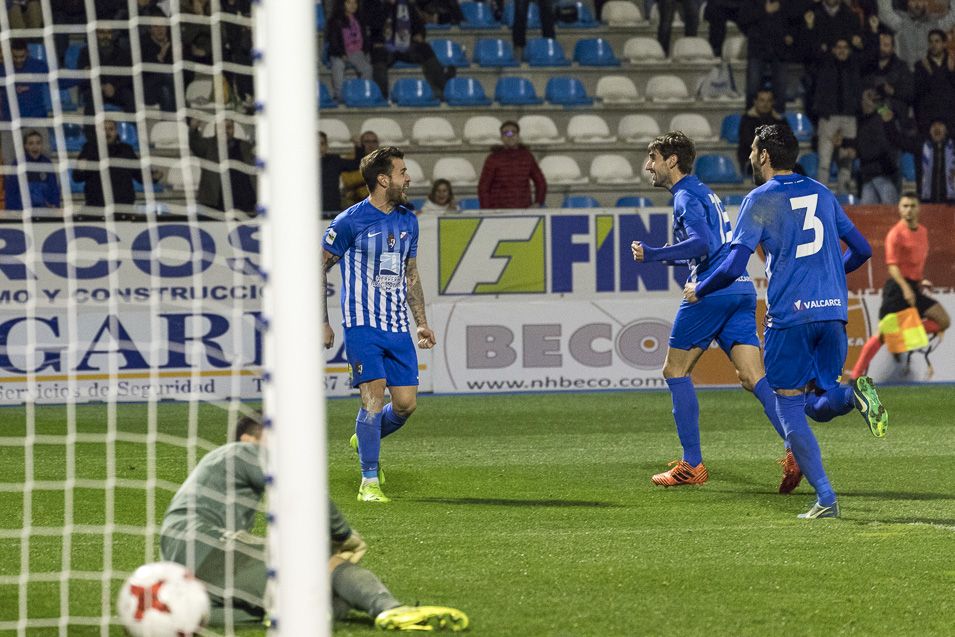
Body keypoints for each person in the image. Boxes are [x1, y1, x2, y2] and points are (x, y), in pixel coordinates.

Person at [685, 124, 888, 519]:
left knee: (789, 408)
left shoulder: (760, 199)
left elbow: (733, 265)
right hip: (833, 312)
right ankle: (853, 397)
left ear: (764, 155)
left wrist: (701, 288)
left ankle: (826, 498)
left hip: (790, 317)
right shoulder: (822, 192)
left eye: (753, 150)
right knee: (819, 400)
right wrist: (829, 276)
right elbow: (862, 250)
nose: (750, 156)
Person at [159, 413, 468, 631]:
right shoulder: (240, 451)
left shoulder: (221, 473)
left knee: (323, 602)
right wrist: (342, 534)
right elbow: (299, 486)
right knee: (322, 563)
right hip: (202, 540)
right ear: (248, 438)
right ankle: (392, 609)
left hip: (182, 561)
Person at [632, 131, 801, 492]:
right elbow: (711, 245)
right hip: (740, 287)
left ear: (671, 161)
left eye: (654, 158)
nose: (649, 165)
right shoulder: (702, 191)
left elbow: (701, 244)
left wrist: (654, 254)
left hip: (711, 291)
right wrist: (667, 258)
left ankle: (691, 464)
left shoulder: (684, 197)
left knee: (674, 370)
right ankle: (796, 448)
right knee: (753, 377)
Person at [322, 146, 437, 503]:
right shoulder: (349, 221)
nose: (409, 178)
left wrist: (421, 323)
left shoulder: (408, 221)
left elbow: (410, 274)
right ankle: (368, 482)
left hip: (397, 325)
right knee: (372, 400)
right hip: (362, 325)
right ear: (384, 180)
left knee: (405, 405)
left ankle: (365, 437)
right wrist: (322, 322)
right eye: (403, 172)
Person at [851, 193, 950, 378]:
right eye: (905, 206)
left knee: (943, 320)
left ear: (918, 208)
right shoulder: (895, 234)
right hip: (897, 289)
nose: (909, 210)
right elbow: (892, 266)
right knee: (881, 335)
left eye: (912, 206)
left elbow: (915, 263)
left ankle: (898, 334)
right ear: (899, 209)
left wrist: (920, 281)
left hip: (913, 287)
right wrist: (905, 289)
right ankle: (855, 375)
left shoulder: (923, 232)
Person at [364, 0, 454, 100]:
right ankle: (381, 96)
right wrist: (376, 41)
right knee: (378, 55)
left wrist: (420, 34)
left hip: (406, 46)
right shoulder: (376, 6)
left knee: (425, 48)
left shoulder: (408, 6)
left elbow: (419, 26)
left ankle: (441, 88)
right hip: (386, 47)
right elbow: (373, 28)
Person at [73, 118, 154, 215]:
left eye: (111, 129)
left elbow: (139, 175)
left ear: (116, 131)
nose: (107, 133)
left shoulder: (126, 150)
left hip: (123, 208)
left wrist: (154, 177)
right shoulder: (89, 149)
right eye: (104, 129)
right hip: (97, 207)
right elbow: (77, 177)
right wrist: (80, 169)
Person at [188, 117, 256, 214]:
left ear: (234, 129)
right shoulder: (207, 145)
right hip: (215, 205)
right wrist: (193, 129)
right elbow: (194, 142)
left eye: (229, 127)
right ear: (215, 129)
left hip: (244, 205)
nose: (225, 131)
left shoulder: (245, 146)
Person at [884, 115, 955, 203]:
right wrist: (888, 122)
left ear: (946, 130)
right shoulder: (921, 146)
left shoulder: (953, 149)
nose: (937, 128)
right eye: (933, 126)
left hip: (951, 202)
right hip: (926, 201)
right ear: (930, 131)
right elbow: (896, 139)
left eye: (940, 125)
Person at [477, 120, 546, 210]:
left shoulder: (527, 157)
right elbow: (483, 187)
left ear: (518, 136)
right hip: (499, 212)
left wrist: (538, 202)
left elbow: (540, 182)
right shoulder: (493, 158)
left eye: (513, 132)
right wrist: (487, 211)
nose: (510, 136)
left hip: (523, 211)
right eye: (506, 133)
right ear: (501, 137)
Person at [876, 0, 955, 66]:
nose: (917, 5)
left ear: (926, 2)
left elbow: (952, 17)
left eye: (921, 0)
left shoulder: (935, 24)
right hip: (904, 74)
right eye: (913, 1)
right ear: (908, 3)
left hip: (927, 74)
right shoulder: (900, 22)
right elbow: (884, 13)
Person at [325, 0, 374, 102]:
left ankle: (362, 95)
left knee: (367, 69)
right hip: (339, 52)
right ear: (342, 4)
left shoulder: (360, 20)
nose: (353, 6)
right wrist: (342, 54)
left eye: (355, 3)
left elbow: (365, 40)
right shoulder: (334, 21)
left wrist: (364, 51)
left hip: (356, 52)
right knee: (338, 65)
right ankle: (339, 96)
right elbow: (333, 41)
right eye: (349, 3)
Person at [3, 129, 60, 212]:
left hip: (44, 213)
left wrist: (54, 206)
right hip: (23, 213)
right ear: (25, 146)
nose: (35, 146)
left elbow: (54, 189)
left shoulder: (47, 164)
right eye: (31, 143)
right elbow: (11, 192)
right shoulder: (18, 164)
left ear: (42, 145)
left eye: (38, 143)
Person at [738, 88, 786, 177]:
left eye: (769, 101)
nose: (765, 104)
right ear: (755, 102)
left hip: (777, 161)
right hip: (754, 161)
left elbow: (786, 141)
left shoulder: (780, 120)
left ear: (773, 102)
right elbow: (749, 143)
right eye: (762, 100)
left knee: (797, 170)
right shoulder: (747, 120)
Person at [320, 131, 362, 218]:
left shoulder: (334, 160)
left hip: (332, 210)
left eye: (322, 144)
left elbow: (356, 164)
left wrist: (358, 146)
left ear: (326, 146)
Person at [341, 130, 379, 208]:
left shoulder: (384, 160)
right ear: (361, 144)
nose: (371, 145)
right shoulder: (350, 159)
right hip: (355, 200)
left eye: (374, 141)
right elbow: (347, 181)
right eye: (367, 142)